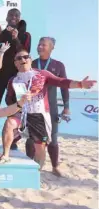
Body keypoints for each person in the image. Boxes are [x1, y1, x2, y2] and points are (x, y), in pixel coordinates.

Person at [0, 49, 96, 167]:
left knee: (40, 148)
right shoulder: (13, 80)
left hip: (39, 115)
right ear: (15, 63)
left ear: (30, 59)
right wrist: (19, 102)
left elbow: (61, 81)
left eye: (25, 57)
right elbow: (8, 99)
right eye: (19, 58)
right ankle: (5, 155)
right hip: (22, 114)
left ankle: (38, 171)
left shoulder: (42, 74)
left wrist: (80, 84)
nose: (23, 60)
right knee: (9, 124)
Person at [32, 37, 70, 177]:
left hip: (51, 107)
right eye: (39, 44)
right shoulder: (32, 63)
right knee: (32, 139)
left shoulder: (58, 65)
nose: (40, 47)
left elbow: (65, 86)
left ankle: (54, 166)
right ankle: (32, 165)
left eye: (44, 45)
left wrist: (66, 106)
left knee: (53, 139)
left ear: (52, 48)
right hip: (34, 107)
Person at [0, 8, 31, 109]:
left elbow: (25, 53)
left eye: (16, 15)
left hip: (17, 76)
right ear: (6, 18)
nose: (13, 17)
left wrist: (16, 39)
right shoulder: (0, 34)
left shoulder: (26, 35)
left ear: (19, 19)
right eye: (11, 15)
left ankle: (17, 124)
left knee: (18, 105)